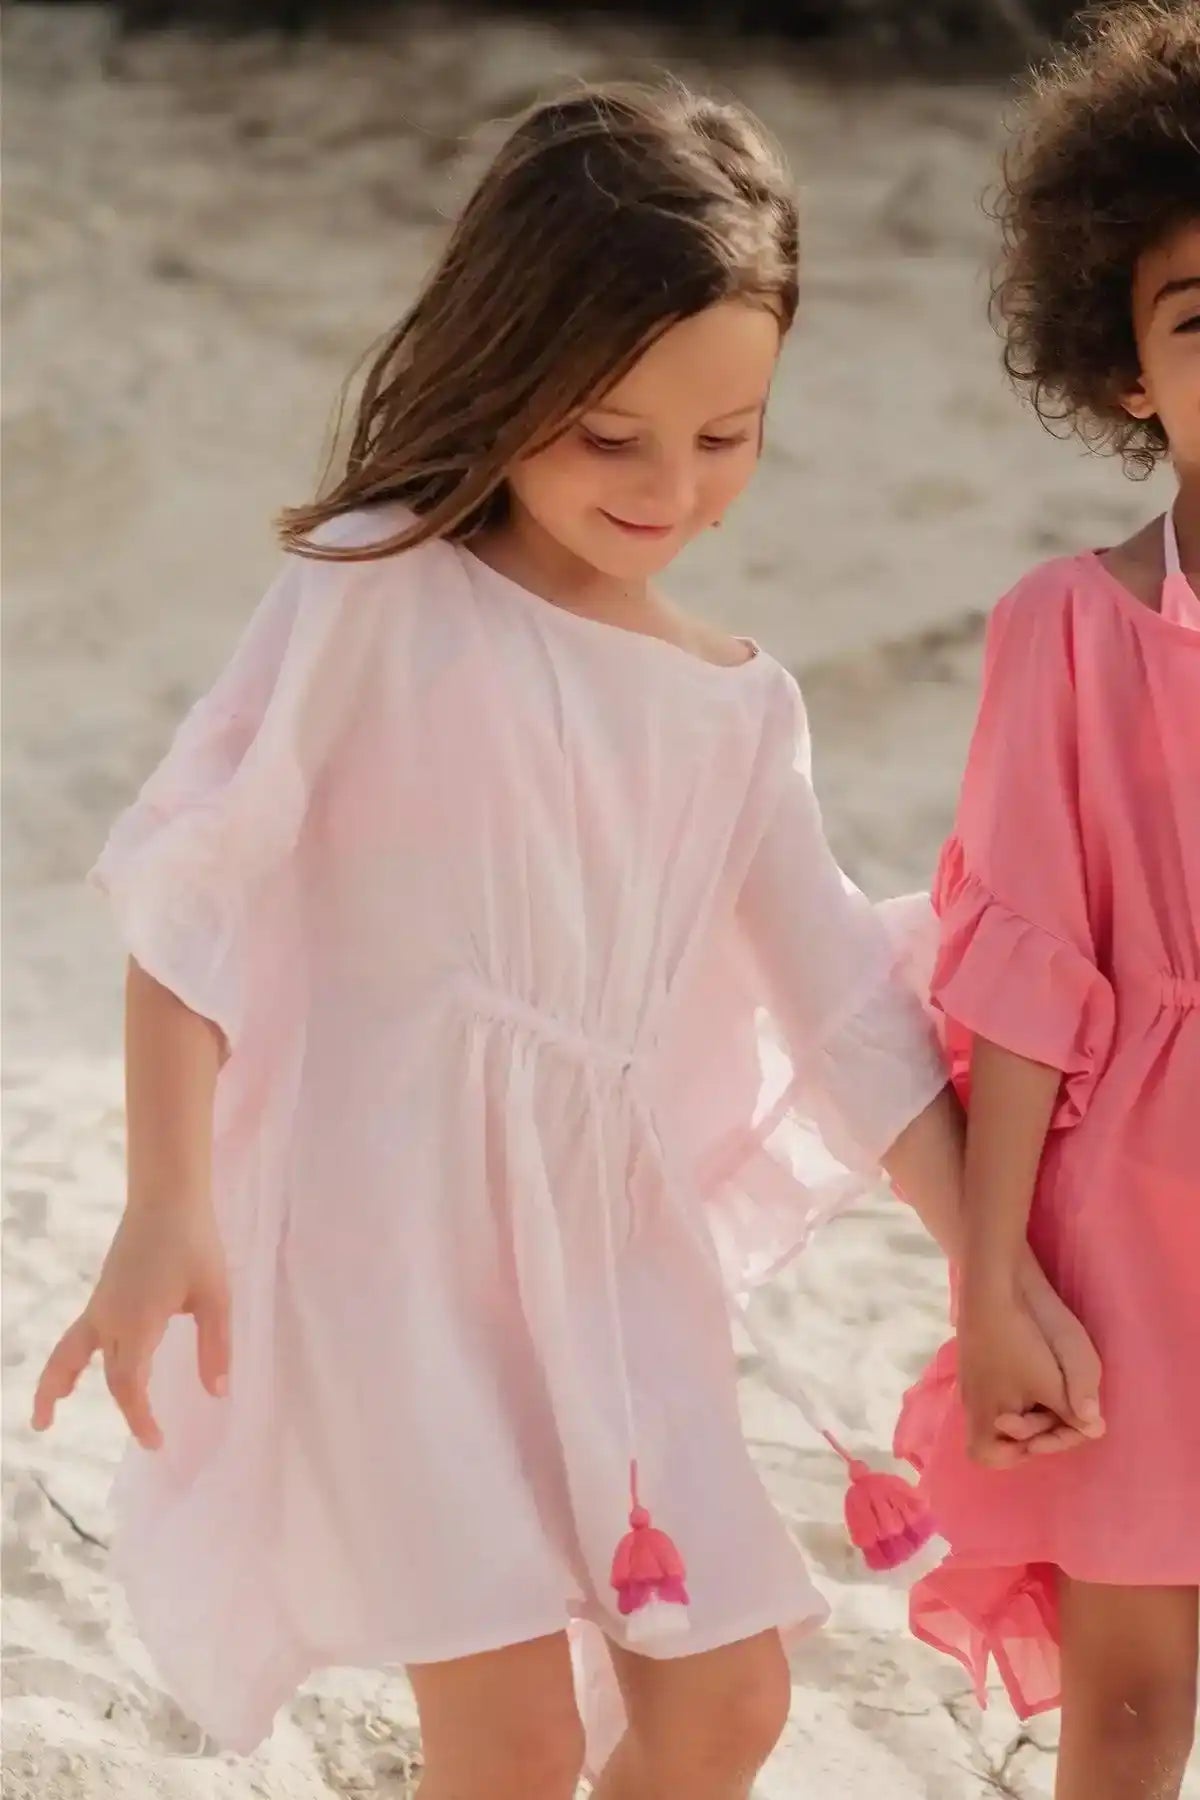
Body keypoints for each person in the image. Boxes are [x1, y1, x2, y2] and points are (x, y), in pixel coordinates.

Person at [32, 82, 1088, 1800]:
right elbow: (192, 891)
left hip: (607, 1271)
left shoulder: (733, 711)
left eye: (727, 435)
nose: (670, 486)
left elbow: (842, 1011)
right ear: (506, 366)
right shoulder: (378, 591)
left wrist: (987, 1266)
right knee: (512, 1736)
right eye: (611, 435)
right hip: (390, 1246)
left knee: (726, 1699)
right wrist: (166, 1203)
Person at [897, 8, 1200, 1798]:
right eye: (1198, 317)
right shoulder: (1064, 634)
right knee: (1138, 1709)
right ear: (1130, 369)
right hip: (1130, 1236)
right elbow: (1015, 977)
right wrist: (992, 1277)